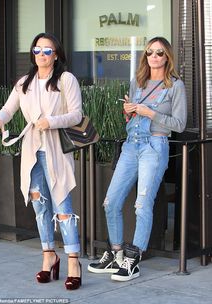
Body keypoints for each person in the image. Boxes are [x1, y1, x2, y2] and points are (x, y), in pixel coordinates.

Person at [88, 37, 187, 281]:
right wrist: (128, 111)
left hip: (154, 146)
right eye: (150, 52)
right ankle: (116, 254)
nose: (154, 56)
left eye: (160, 52)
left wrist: (149, 112)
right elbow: (132, 117)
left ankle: (133, 259)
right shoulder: (138, 82)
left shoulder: (175, 86)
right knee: (110, 202)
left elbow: (180, 124)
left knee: (142, 204)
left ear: (167, 57)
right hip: (131, 146)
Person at [0, 33, 82, 290]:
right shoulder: (24, 82)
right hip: (32, 153)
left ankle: (73, 261)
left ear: (56, 55)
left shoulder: (66, 79)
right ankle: (48, 256)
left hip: (55, 151)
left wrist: (50, 122)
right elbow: (9, 108)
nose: (41, 55)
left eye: (47, 51)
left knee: (63, 207)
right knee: (40, 206)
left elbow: (77, 114)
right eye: (37, 50)